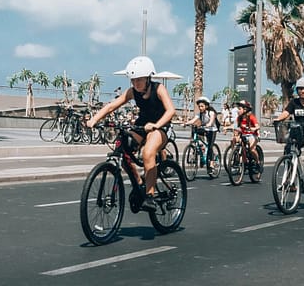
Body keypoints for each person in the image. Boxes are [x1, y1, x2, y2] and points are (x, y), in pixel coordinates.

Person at [86, 56, 176, 212]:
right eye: (133, 80)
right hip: (142, 124)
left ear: (148, 78)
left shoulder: (159, 88)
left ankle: (150, 196)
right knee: (122, 148)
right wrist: (94, 119)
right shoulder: (132, 92)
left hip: (161, 125)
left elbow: (171, 111)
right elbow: (111, 106)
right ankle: (139, 181)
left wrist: (156, 125)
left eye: (139, 80)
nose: (135, 84)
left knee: (148, 153)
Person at [183, 96, 219, 171]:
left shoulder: (211, 112)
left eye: (202, 106)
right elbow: (193, 120)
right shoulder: (199, 114)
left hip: (212, 130)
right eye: (199, 106)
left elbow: (211, 121)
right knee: (195, 130)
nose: (200, 108)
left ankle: (212, 162)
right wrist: (186, 123)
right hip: (204, 128)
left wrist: (209, 124)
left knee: (210, 146)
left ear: (206, 106)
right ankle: (199, 147)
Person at [234, 100, 261, 171]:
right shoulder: (239, 118)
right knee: (235, 141)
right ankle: (241, 159)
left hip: (253, 135)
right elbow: (237, 128)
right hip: (244, 135)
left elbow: (258, 126)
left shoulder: (251, 117)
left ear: (245, 110)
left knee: (251, 149)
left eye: (239, 109)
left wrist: (254, 128)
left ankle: (257, 162)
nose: (238, 111)